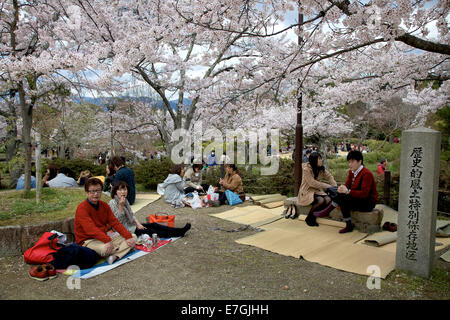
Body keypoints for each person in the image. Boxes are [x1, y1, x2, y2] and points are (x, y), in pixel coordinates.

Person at [74, 178, 137, 265]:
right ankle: (119, 250)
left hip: (104, 236)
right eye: (92, 191)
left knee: (133, 237)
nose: (96, 194)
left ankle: (115, 256)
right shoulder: (82, 208)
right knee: (105, 249)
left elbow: (115, 222)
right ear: (87, 192)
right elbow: (90, 229)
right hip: (88, 240)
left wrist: (127, 236)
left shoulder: (104, 205)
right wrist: (107, 240)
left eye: (98, 191)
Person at [313, 150, 378, 234]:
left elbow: (364, 194)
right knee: (340, 194)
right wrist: (342, 188)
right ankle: (347, 224)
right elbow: (347, 185)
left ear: (360, 161)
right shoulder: (352, 172)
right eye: (349, 162)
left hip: (368, 202)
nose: (350, 164)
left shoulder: (366, 174)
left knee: (343, 198)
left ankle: (330, 212)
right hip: (356, 198)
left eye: (352, 162)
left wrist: (348, 191)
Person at [109, 181, 191, 238]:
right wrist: (120, 206)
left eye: (125, 189)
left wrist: (138, 224)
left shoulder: (125, 201)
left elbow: (131, 214)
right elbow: (116, 222)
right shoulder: (112, 203)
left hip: (132, 226)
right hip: (125, 230)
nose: (123, 192)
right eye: (120, 190)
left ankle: (179, 230)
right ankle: (179, 233)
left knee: (154, 225)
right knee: (152, 231)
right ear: (116, 191)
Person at [296, 152, 337, 225]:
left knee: (328, 199)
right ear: (314, 160)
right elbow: (312, 183)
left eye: (321, 158)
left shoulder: (321, 168)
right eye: (319, 159)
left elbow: (329, 176)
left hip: (316, 191)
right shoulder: (306, 169)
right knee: (320, 200)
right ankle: (309, 218)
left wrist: (334, 186)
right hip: (306, 192)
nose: (321, 160)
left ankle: (315, 216)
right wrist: (328, 186)